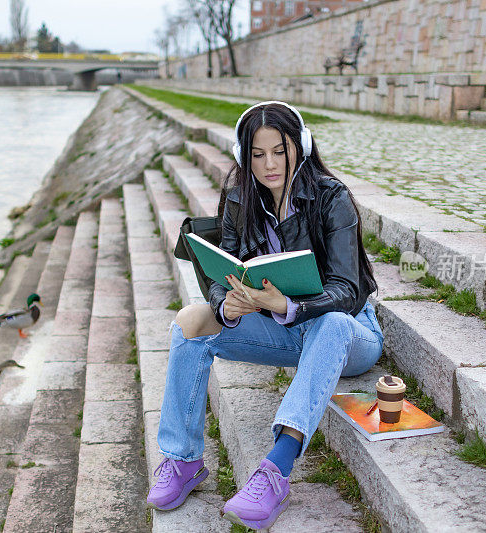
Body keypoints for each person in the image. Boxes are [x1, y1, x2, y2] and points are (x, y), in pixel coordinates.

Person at [146, 101, 383, 530]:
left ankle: (276, 470)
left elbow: (348, 291)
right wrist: (227, 304)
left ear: (301, 146)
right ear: (243, 156)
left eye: (280, 150)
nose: (269, 164)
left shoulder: (333, 199)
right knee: (192, 319)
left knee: (329, 323)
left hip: (349, 334)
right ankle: (182, 460)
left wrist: (290, 306)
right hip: (284, 332)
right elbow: (225, 270)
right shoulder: (239, 199)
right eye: (257, 154)